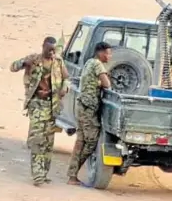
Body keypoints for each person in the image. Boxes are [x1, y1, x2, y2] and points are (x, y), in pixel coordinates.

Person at [10, 36, 70, 186]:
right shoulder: (33, 59)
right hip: (37, 104)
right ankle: (37, 175)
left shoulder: (58, 62)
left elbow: (67, 78)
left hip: (52, 106)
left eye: (54, 50)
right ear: (43, 46)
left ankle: (44, 173)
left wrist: (65, 87)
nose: (51, 52)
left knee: (48, 142)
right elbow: (13, 67)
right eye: (49, 49)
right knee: (37, 140)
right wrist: (24, 63)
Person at [67, 42, 112, 185]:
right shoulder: (98, 64)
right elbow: (107, 85)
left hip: (82, 106)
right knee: (91, 141)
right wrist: (103, 81)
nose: (109, 56)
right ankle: (72, 173)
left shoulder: (89, 63)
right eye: (108, 53)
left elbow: (92, 82)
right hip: (88, 108)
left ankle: (72, 175)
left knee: (80, 141)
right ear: (100, 52)